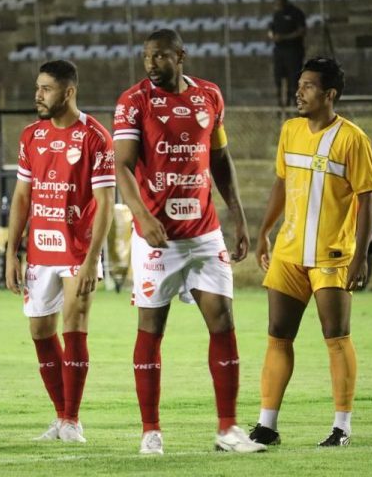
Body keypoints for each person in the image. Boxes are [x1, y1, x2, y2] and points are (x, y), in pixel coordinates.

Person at [114, 29, 264, 455]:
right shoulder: (134, 101)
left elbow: (219, 158)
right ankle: (150, 431)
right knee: (151, 329)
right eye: (145, 57)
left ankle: (228, 429)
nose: (150, 64)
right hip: (157, 238)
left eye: (159, 56)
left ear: (179, 56)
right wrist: (142, 217)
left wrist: (237, 214)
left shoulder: (210, 97)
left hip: (204, 232)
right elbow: (122, 166)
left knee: (223, 321)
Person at [248, 57, 372, 448]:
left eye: (307, 86)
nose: (298, 92)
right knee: (277, 335)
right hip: (289, 253)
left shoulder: (353, 139)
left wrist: (361, 255)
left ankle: (342, 427)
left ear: (329, 94)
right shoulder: (290, 131)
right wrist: (264, 230)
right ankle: (267, 426)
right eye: (299, 85)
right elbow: (281, 183)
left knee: (336, 335)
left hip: (332, 255)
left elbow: (367, 198)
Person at [6, 60, 115, 443]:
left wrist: (92, 260)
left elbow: (105, 203)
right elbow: (22, 197)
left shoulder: (95, 137)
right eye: (37, 87)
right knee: (40, 331)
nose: (38, 95)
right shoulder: (30, 136)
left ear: (68, 92)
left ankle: (72, 420)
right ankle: (60, 416)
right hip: (39, 251)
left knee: (74, 327)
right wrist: (11, 252)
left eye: (46, 88)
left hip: (78, 252)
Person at [268, 0, 306, 107]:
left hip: (293, 50)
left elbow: (301, 31)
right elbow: (271, 29)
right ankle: (281, 104)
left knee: (293, 78)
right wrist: (272, 36)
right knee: (278, 77)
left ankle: (294, 103)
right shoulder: (277, 14)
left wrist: (284, 37)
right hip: (279, 51)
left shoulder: (296, 13)